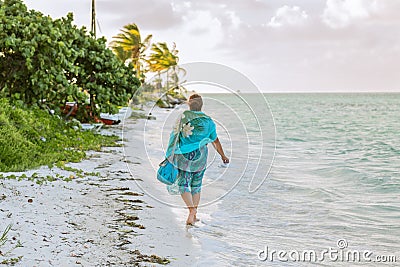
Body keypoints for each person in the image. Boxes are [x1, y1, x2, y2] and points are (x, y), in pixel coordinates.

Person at [165, 94, 229, 225]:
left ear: (189, 104)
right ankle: (193, 215)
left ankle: (191, 210)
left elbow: (175, 135)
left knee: (183, 184)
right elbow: (215, 140)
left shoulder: (184, 116)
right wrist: (223, 155)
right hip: (201, 156)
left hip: (184, 155)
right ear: (201, 105)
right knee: (196, 186)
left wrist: (169, 153)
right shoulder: (209, 121)